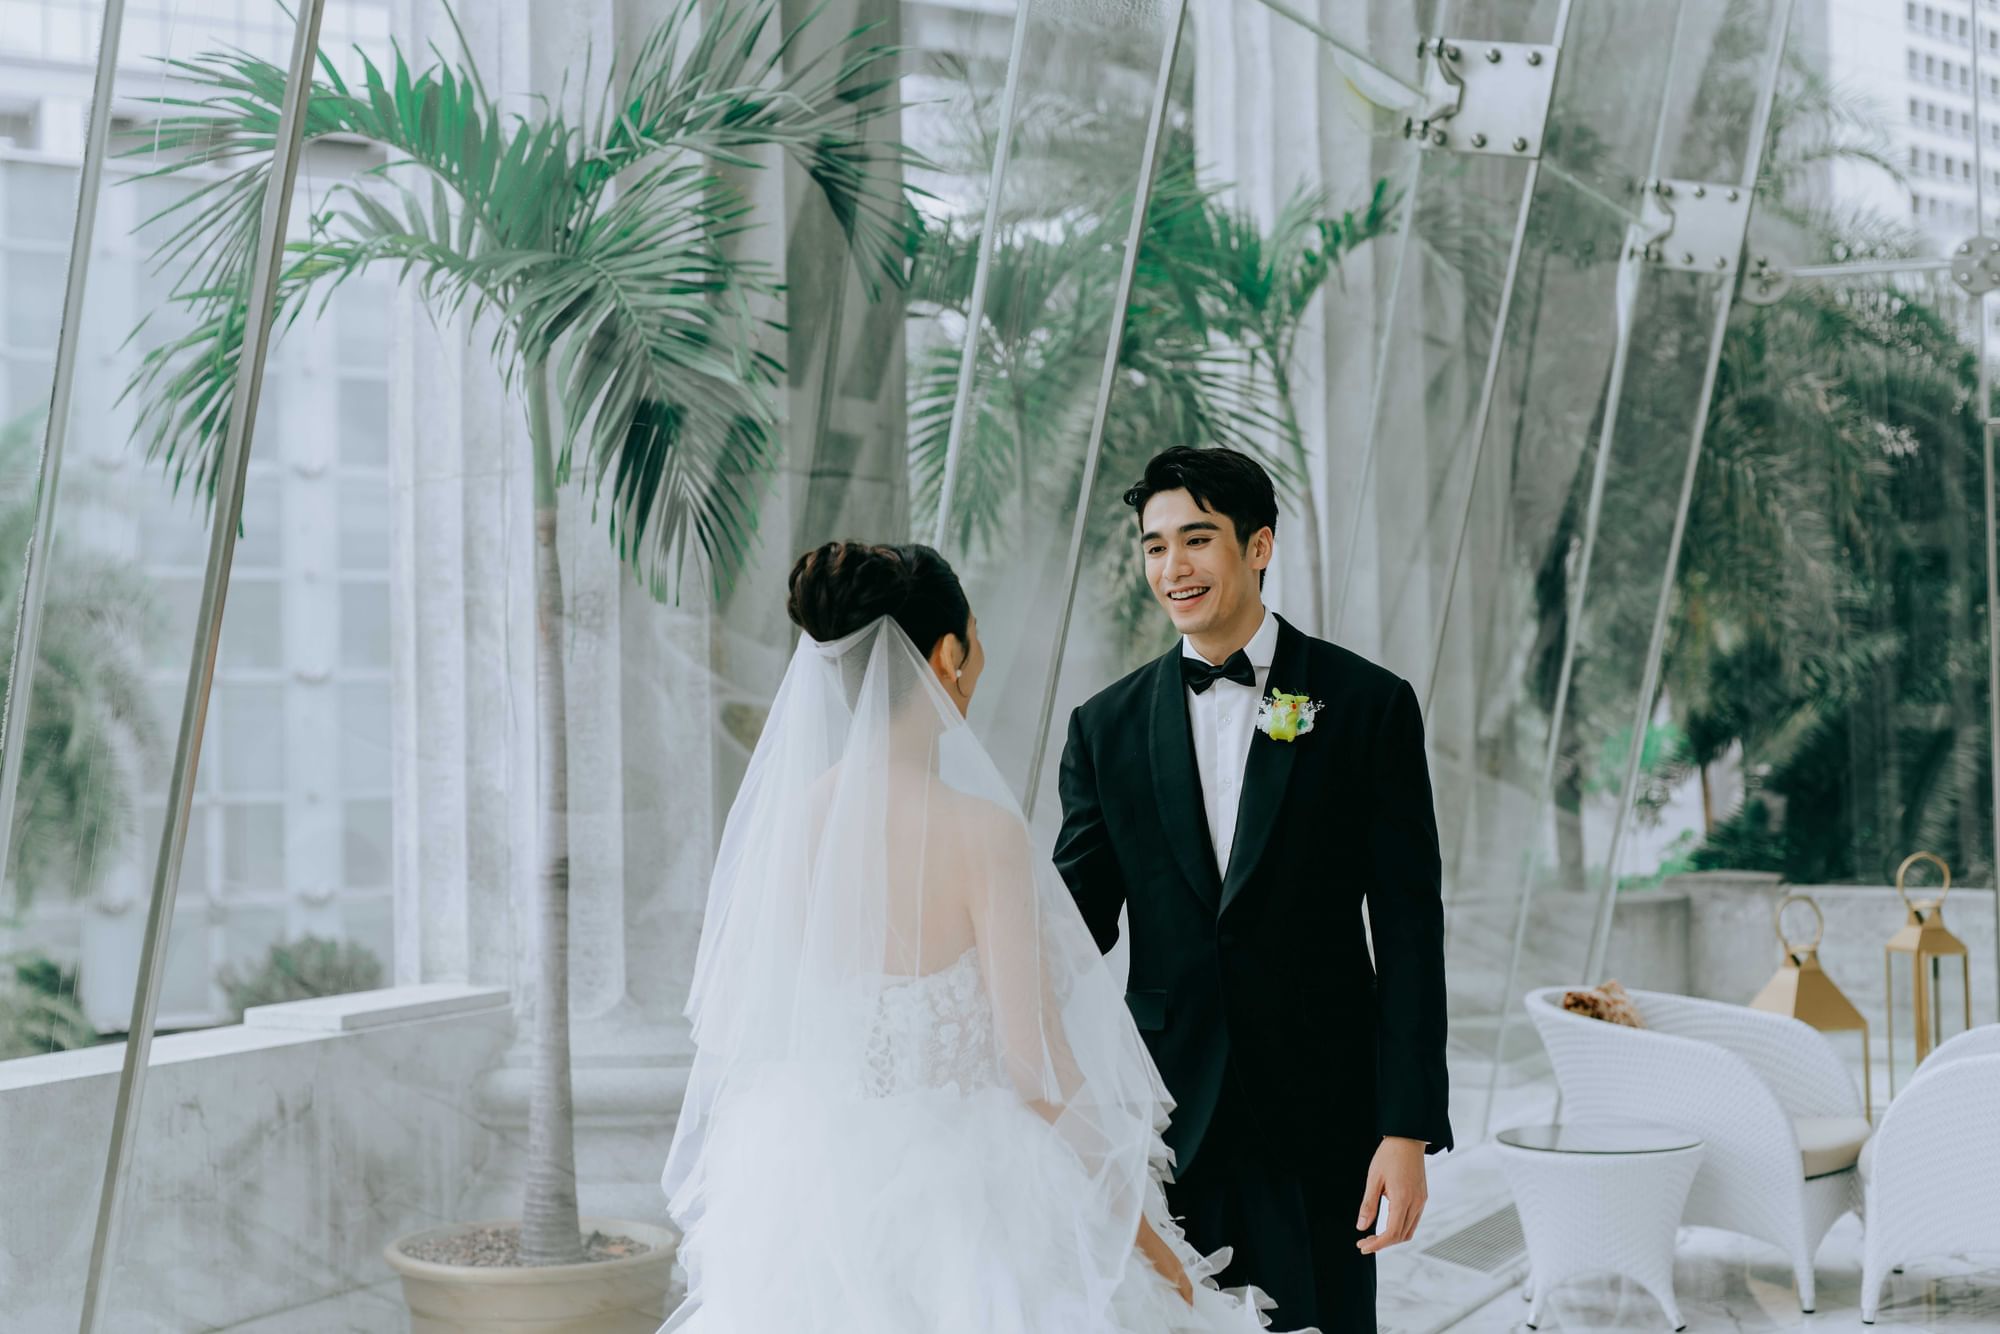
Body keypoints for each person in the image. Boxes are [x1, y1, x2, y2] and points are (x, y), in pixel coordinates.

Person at [659, 540, 1311, 1333]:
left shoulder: (793, 830)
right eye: (975, 638)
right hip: (979, 1202)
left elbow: (776, 1028)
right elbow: (1037, 1073)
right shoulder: (982, 835)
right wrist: (1150, 1247)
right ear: (947, 658)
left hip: (820, 1198)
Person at [1055, 446, 1453, 1332]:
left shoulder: (1365, 706)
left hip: (1325, 1118)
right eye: (1155, 547)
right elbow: (1069, 927)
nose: (1173, 569)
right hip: (1165, 1123)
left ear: (1259, 546)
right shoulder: (1104, 728)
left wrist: (1407, 1128)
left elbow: (1409, 927)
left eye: (1197, 540)